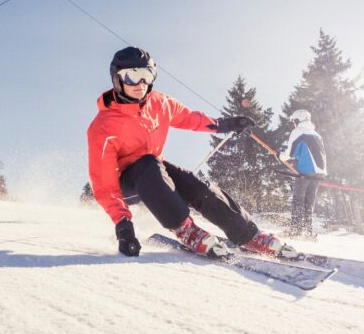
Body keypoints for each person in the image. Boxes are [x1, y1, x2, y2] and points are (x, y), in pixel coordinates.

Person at [87, 46, 296, 259]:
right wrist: (123, 224)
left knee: (194, 185)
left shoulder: (159, 103)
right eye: (131, 76)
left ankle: (248, 234)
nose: (141, 84)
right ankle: (185, 229)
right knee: (148, 164)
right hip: (127, 186)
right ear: (116, 79)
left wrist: (224, 125)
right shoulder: (103, 127)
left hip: (155, 174)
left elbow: (189, 118)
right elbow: (104, 184)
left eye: (147, 75)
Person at [280, 109, 327, 237]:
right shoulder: (317, 134)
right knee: (309, 202)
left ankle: (295, 230)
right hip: (319, 173)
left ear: (298, 120)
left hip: (306, 172)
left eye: (294, 121)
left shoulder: (298, 132)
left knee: (298, 200)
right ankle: (308, 231)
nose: (293, 124)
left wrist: (280, 155)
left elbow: (289, 154)